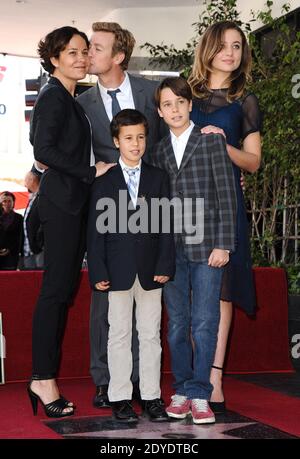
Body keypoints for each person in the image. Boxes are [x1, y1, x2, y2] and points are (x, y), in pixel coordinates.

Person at [27, 26, 115, 418]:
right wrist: (89, 170)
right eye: (72, 52)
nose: (81, 58)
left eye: (85, 52)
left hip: (72, 205)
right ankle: (43, 380)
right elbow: (42, 149)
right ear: (54, 59)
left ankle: (44, 378)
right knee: (54, 294)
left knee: (61, 294)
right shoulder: (53, 97)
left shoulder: (68, 97)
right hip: (61, 205)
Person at [77, 22, 166, 409]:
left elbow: (165, 141)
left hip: (151, 205)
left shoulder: (151, 91)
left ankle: (142, 387)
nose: (87, 54)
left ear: (118, 56)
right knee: (107, 307)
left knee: (148, 314)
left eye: (96, 48)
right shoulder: (82, 104)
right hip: (106, 208)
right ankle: (106, 381)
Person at [151, 76, 237, 424]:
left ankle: (201, 392)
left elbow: (227, 193)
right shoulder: (155, 151)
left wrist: (224, 243)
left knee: (204, 322)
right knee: (177, 324)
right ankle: (183, 388)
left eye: (180, 102)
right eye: (167, 104)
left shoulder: (210, 141)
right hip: (171, 249)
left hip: (207, 247)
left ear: (190, 105)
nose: (174, 109)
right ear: (159, 111)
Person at [188, 21, 262, 412]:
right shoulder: (186, 97)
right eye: (223, 45)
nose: (230, 53)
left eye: (237, 46)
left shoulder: (245, 101)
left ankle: (213, 377)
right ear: (208, 49)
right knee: (188, 292)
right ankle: (192, 376)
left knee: (220, 293)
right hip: (183, 206)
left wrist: (222, 143)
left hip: (225, 205)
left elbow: (253, 162)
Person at [87, 109, 175, 423]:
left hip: (152, 270)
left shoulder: (158, 178)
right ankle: (120, 397)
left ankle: (151, 397)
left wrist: (165, 263)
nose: (135, 143)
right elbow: (96, 231)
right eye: (128, 138)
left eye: (140, 137)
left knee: (151, 334)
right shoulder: (104, 181)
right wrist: (98, 271)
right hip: (117, 270)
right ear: (116, 141)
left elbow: (166, 225)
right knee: (119, 335)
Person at [19, 169, 44, 270]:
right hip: (27, 251)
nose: (25, 185)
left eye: (26, 181)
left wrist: (40, 244)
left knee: (40, 279)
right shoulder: (32, 199)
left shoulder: (42, 197)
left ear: (32, 180)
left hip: (39, 250)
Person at [0, 191, 23, 270]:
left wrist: (9, 249)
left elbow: (19, 237)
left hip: (12, 255)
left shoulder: (19, 218)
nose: (7, 203)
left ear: (13, 202)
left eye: (9, 201)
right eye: (4, 201)